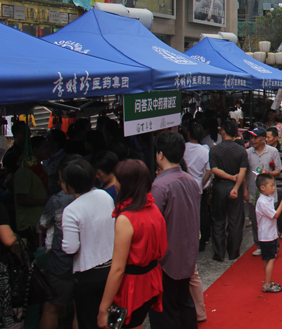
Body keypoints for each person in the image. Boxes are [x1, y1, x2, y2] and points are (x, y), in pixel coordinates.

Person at [97, 159, 168, 329]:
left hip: (132, 287)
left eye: (117, 180)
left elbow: (118, 269)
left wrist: (103, 308)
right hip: (151, 279)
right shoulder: (152, 208)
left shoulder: (126, 218)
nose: (115, 184)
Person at [148, 132, 201, 329]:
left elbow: (153, 225)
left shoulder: (160, 186)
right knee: (184, 302)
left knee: (166, 309)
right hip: (187, 252)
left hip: (166, 258)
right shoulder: (191, 181)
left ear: (160, 154)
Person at [61, 158, 115, 329]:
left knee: (89, 321)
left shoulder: (71, 210)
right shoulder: (104, 196)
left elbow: (71, 248)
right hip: (111, 268)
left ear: (70, 185)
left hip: (88, 273)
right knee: (111, 320)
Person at [38, 157, 76, 329]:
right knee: (80, 309)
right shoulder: (99, 196)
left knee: (51, 308)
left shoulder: (58, 200)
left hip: (61, 263)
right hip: (87, 264)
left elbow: (43, 224)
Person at [209, 121, 249, 262]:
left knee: (218, 220)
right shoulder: (241, 150)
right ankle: (233, 252)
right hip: (235, 187)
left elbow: (214, 169)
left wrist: (229, 177)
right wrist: (236, 187)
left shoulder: (214, 150)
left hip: (220, 186)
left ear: (223, 132)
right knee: (235, 220)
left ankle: (219, 252)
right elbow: (242, 172)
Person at [246, 126, 282, 257]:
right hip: (253, 192)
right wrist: (245, 190)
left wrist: (268, 173)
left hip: (269, 194)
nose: (253, 140)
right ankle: (259, 245)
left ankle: (274, 247)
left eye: (256, 138)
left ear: (263, 139)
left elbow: (278, 171)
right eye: (251, 137)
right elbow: (244, 172)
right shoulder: (248, 153)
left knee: (271, 221)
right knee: (256, 221)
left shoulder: (273, 151)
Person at [255, 174, 282, 293]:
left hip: (269, 233)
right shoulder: (262, 202)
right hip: (267, 235)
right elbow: (275, 215)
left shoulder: (266, 198)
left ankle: (268, 280)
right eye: (271, 186)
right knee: (271, 258)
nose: (274, 188)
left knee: (268, 258)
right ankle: (267, 284)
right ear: (262, 188)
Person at [183, 123, 212, 252]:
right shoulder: (204, 151)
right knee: (200, 214)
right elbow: (209, 171)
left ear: (188, 134)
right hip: (199, 187)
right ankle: (201, 241)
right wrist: (200, 183)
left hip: (184, 185)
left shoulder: (182, 148)